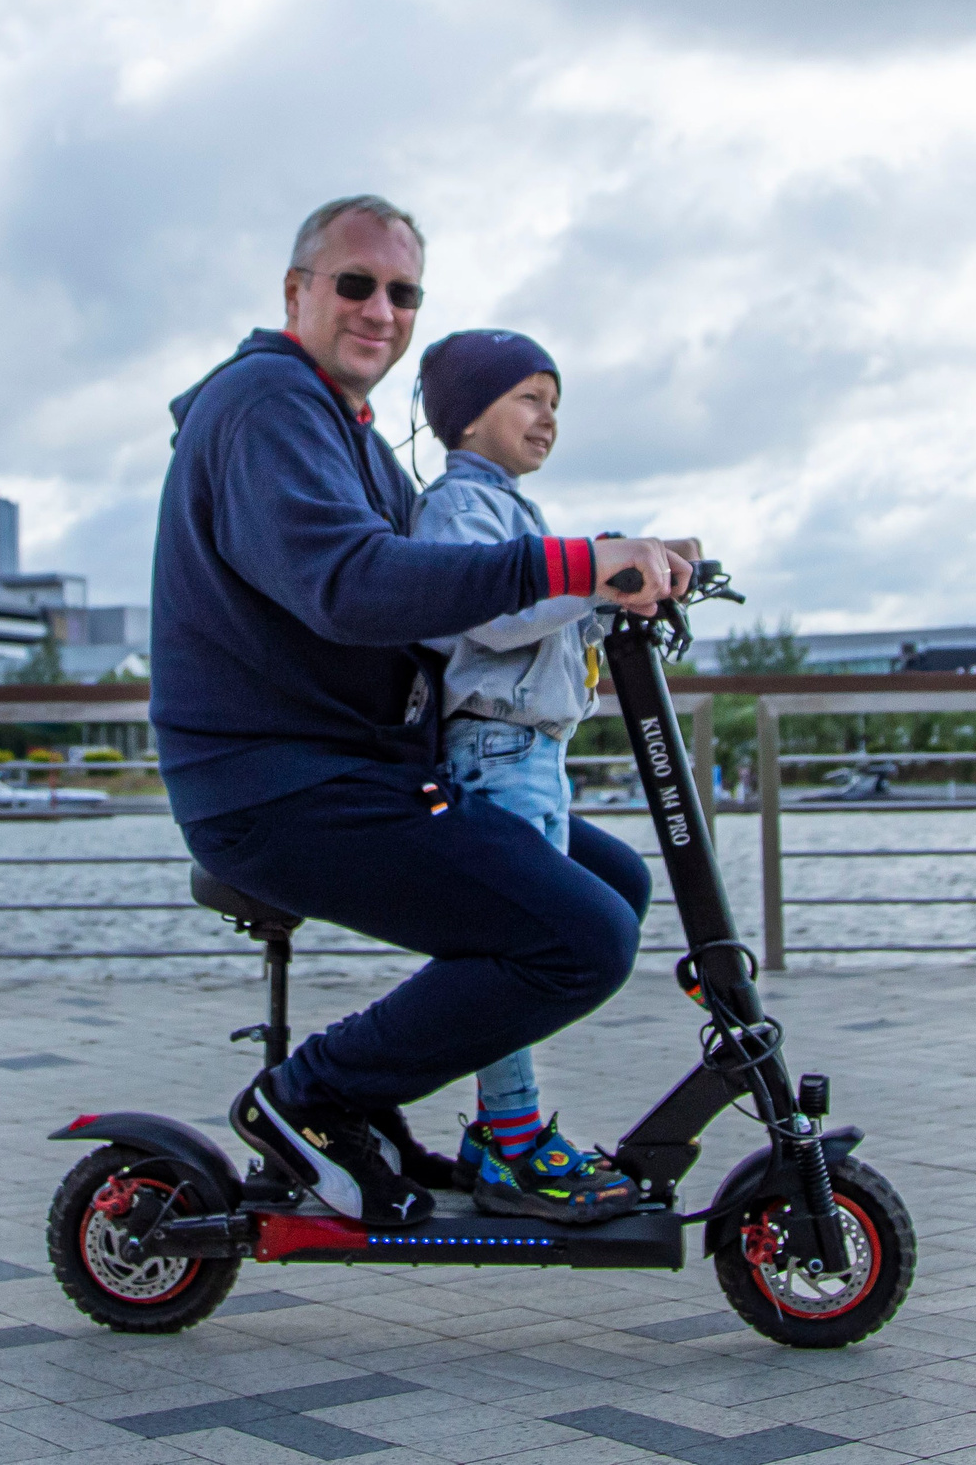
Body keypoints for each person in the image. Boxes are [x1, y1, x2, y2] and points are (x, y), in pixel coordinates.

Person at [152, 193, 693, 1227]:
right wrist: (583, 562)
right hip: (279, 788)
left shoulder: (341, 428)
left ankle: (439, 1114)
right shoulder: (267, 406)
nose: (379, 310)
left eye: (403, 293)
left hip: (355, 771)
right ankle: (309, 1098)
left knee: (607, 883)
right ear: (296, 292)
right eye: (355, 284)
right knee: (576, 937)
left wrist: (626, 561)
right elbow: (357, 584)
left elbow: (448, 577)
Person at [409, 328, 684, 1225]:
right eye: (529, 397)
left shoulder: (518, 512)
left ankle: (506, 1123)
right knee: (529, 945)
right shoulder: (458, 508)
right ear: (467, 416)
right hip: (494, 751)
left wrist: (626, 587)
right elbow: (492, 611)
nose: (548, 416)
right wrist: (599, 575)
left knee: (581, 917)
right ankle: (512, 1137)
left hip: (535, 754)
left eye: (554, 401)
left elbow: (553, 619)